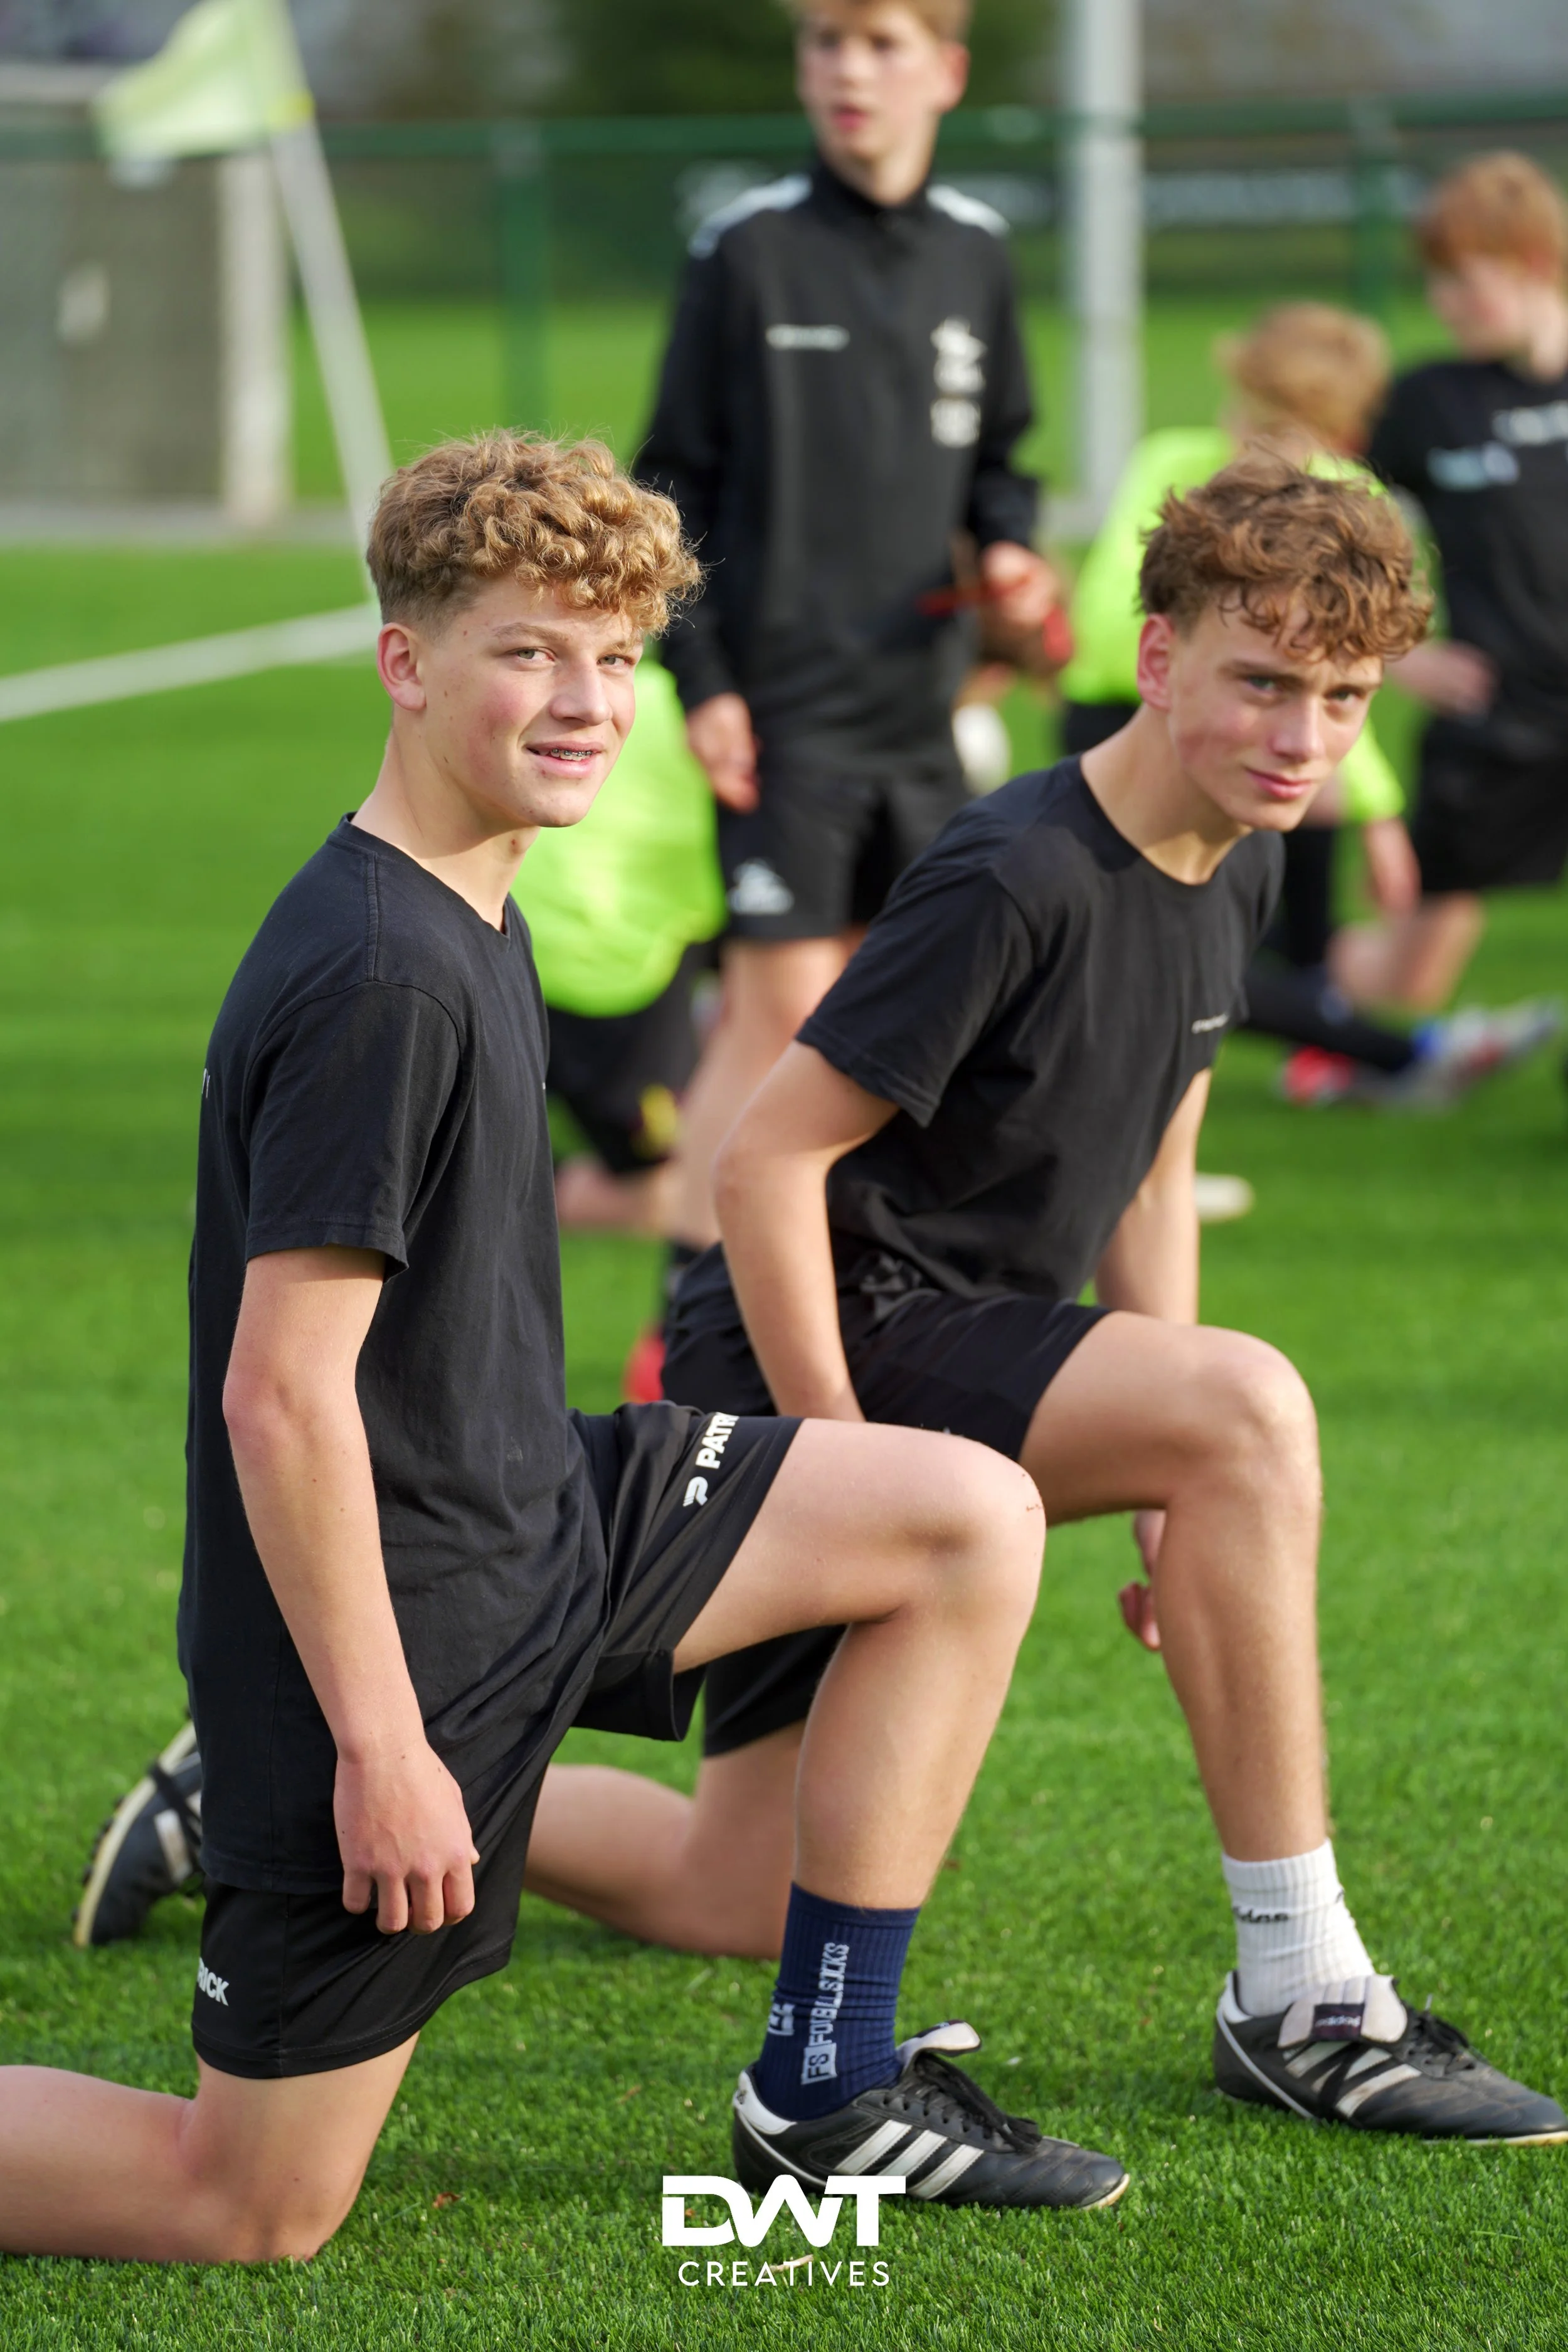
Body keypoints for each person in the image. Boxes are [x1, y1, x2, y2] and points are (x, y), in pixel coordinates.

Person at [16, 430, 1131, 2265]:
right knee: (245, 2203)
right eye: (531, 649)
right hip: (408, 1619)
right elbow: (278, 1390)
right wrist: (382, 1746)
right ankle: (269, 1792)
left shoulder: (469, 898)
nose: (587, 700)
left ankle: (825, 2091)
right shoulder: (380, 970)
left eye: (617, 658)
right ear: (405, 662)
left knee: (956, 1515)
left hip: (539, 1501)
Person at [531, 459, 1560, 2143]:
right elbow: (759, 1166)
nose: (1302, 733)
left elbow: (1156, 1157)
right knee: (1249, 1403)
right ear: (1154, 657)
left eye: (1341, 696)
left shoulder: (1238, 849)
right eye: (1261, 680)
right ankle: (1300, 1992)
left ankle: (261, 1793)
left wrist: (1167, 1481)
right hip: (822, 1338)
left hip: (957, 1342)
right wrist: (849, 1460)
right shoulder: (1016, 868)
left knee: (726, 1881)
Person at [636, 0, 1059, 1303]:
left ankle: (848, 1301)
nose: (847, 72)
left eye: (879, 45)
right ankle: (689, 1328)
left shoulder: (975, 257)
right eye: (825, 44)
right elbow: (670, 488)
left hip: (920, 720)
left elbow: (1000, 468)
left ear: (946, 72)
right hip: (783, 715)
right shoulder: (746, 250)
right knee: (784, 1029)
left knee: (895, 1038)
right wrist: (702, 684)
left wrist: (1004, 553)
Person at [1060, 301, 1554, 1109]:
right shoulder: (1172, 462)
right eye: (1251, 408)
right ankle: (1391, 1049)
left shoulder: (1340, 492)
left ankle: (1350, 1036)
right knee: (1162, 940)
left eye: (1282, 420)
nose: (1249, 428)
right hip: (1127, 733)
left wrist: (1378, 810)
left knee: (1207, 928)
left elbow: (1323, 678)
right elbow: (1110, 629)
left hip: (1235, 750)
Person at [1335, 152, 1568, 1025]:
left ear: (1535, 265)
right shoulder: (1430, 402)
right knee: (1407, 984)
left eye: (1462, 280)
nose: (1442, 302)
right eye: (1434, 281)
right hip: (1499, 724)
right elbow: (1325, 526)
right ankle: (1274, 988)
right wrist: (1393, 656)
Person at [519, 661, 723, 1239]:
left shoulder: (640, 691)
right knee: (680, 1192)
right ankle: (494, 1186)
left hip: (493, 934)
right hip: (602, 972)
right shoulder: (749, 727)